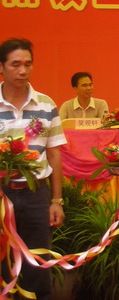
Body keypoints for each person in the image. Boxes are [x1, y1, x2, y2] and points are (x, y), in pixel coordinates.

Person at [0, 38, 66, 300]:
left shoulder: (46, 105)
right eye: (15, 64)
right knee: (3, 262)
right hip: (1, 194)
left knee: (38, 263)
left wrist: (56, 200)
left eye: (28, 64)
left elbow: (54, 153)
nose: (23, 70)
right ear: (1, 67)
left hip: (36, 193)